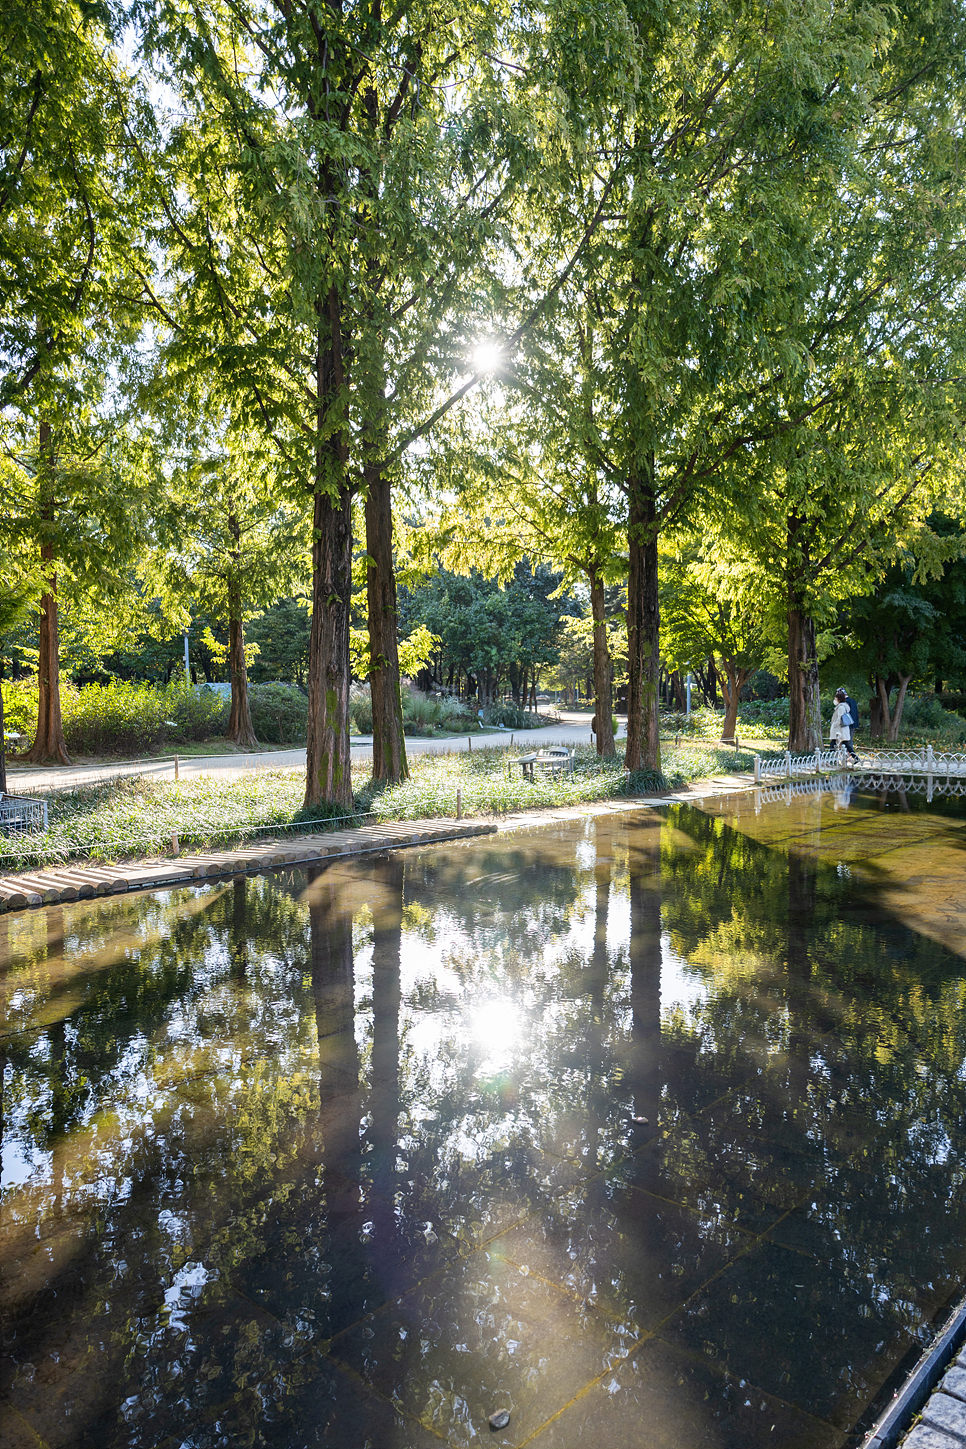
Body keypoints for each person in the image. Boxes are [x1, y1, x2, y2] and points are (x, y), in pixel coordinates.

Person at [830, 688, 858, 761]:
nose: (835, 700)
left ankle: (830, 759)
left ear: (838, 699)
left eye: (836, 698)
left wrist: (834, 725)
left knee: (833, 744)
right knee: (845, 744)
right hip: (841, 729)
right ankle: (855, 758)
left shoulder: (841, 707)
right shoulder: (844, 706)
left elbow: (839, 718)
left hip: (839, 729)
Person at [843, 687, 860, 755]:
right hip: (853, 723)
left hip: (847, 724)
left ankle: (850, 754)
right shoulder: (853, 701)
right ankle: (850, 753)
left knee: (846, 739)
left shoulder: (846, 702)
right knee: (850, 739)